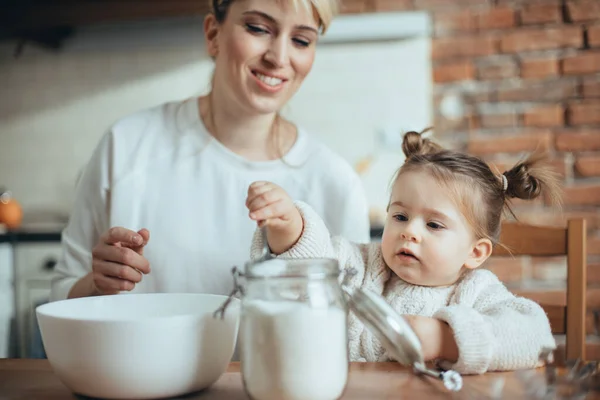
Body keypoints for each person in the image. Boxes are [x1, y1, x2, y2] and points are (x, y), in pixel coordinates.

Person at [50, 0, 370, 302]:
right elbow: (62, 293)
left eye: (301, 40)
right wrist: (96, 283)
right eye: (258, 28)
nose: (279, 57)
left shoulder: (336, 183)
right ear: (213, 34)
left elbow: (355, 332)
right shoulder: (125, 145)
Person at [244, 129, 562, 375]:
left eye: (434, 225)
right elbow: (313, 265)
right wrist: (288, 225)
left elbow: (536, 337)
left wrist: (445, 339)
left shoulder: (477, 292)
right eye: (400, 217)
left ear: (475, 252)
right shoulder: (362, 266)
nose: (409, 231)